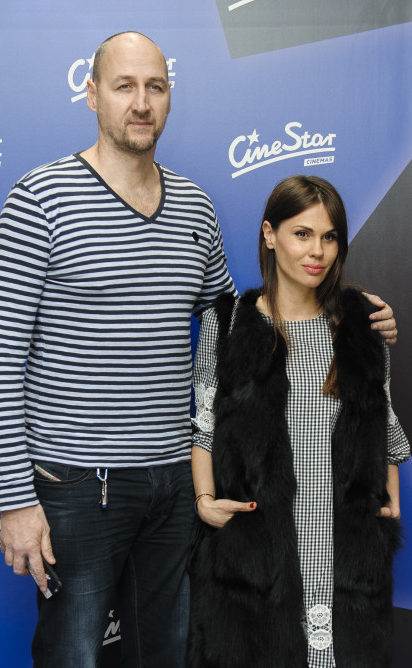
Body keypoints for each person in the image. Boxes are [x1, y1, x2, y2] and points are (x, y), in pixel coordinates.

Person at [0, 31, 398, 668]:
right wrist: (14, 499)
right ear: (92, 94)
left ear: (169, 96)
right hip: (76, 484)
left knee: (170, 651)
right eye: (124, 86)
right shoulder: (40, 199)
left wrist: (356, 322)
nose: (141, 103)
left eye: (155, 87)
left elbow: (240, 325)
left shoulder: (193, 208)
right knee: (74, 652)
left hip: (174, 487)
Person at [189, 175, 410, 668]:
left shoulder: (361, 325)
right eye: (302, 234)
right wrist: (205, 503)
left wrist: (387, 503)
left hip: (343, 549)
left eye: (329, 237)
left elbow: (382, 421)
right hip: (256, 557)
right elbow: (203, 426)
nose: (318, 252)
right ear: (270, 235)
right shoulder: (228, 324)